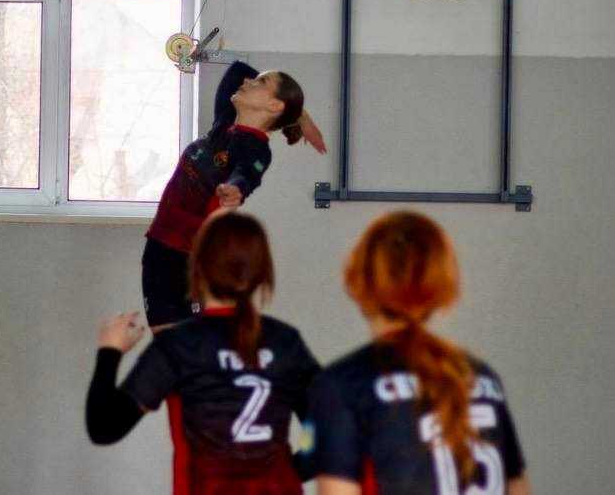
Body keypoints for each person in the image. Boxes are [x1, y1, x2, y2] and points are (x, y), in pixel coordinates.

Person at [87, 210, 321, 494]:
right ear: (263, 273)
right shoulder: (286, 342)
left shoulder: (179, 345)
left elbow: (104, 427)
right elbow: (328, 433)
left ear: (196, 268)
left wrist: (110, 351)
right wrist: (286, 473)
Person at [307, 211, 530, 495]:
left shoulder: (342, 386)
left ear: (357, 281)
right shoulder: (482, 378)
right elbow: (518, 486)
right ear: (442, 287)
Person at [143, 61, 325, 330]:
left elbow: (246, 174)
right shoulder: (224, 123)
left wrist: (236, 190)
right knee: (169, 349)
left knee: (194, 348)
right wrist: (301, 115)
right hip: (159, 248)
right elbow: (237, 70)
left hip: (192, 259)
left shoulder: (256, 149)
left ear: (275, 105)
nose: (248, 81)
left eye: (261, 82)